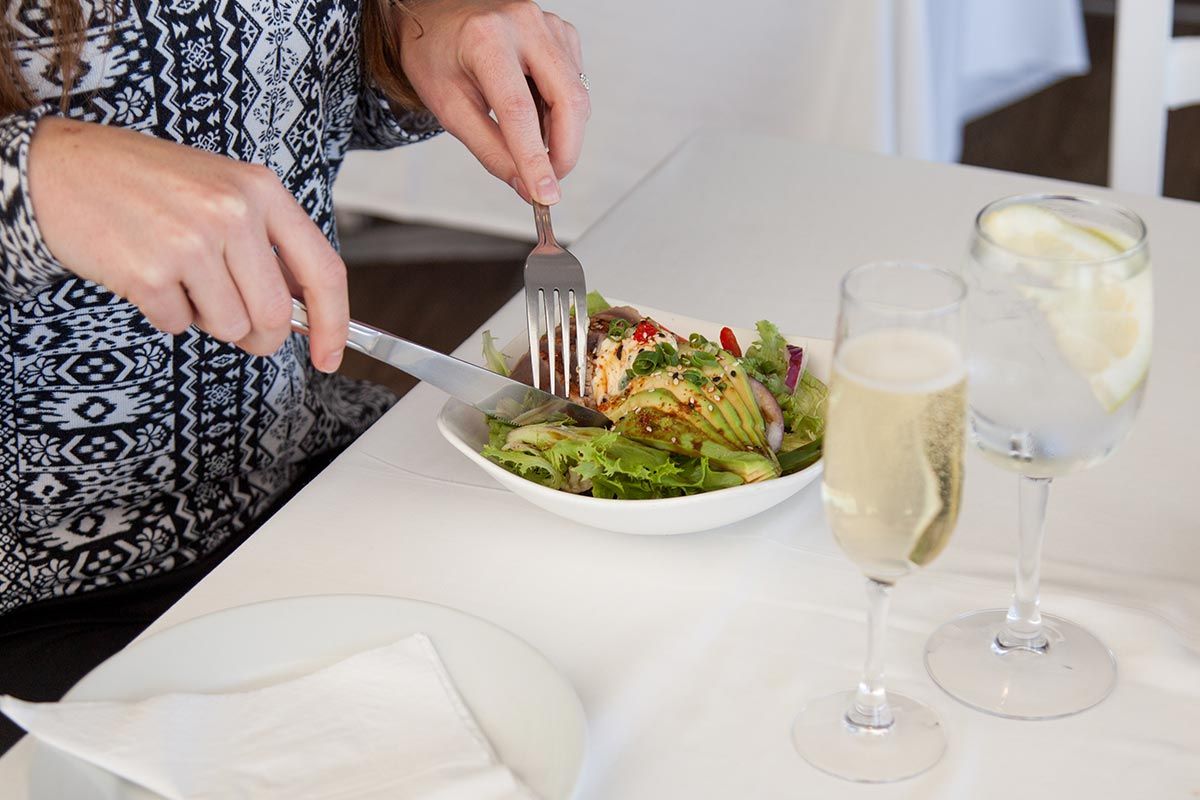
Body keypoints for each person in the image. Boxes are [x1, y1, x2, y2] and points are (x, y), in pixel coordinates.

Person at [0, 0, 589, 750]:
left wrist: (426, 23)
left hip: (304, 479)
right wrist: (34, 177)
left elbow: (301, 80)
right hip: (36, 599)